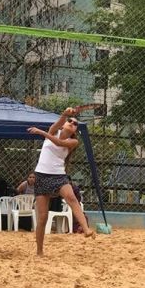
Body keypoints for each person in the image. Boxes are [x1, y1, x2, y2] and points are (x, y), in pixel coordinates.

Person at [27, 107, 95, 256]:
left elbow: (58, 143)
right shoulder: (54, 130)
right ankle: (39, 251)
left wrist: (41, 132)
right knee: (43, 217)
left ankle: (86, 229)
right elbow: (59, 123)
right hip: (42, 176)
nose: (72, 123)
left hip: (58, 176)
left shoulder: (73, 141)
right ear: (64, 124)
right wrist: (66, 113)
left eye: (75, 123)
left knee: (71, 198)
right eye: (70, 121)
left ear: (75, 130)